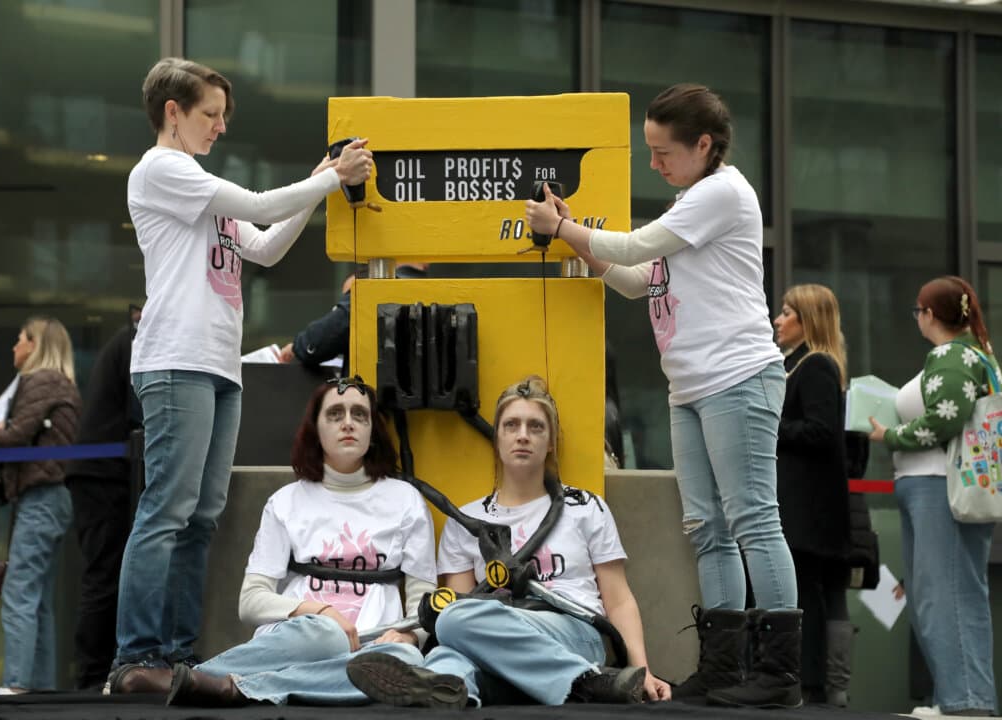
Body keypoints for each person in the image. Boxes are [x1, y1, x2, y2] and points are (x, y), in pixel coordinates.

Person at [526, 83, 800, 707]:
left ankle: (780, 674)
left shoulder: (720, 193)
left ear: (704, 145)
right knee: (709, 528)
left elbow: (633, 246)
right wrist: (573, 235)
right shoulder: (694, 201)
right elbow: (632, 279)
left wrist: (565, 226)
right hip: (692, 386)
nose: (655, 164)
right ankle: (727, 670)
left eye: (663, 151)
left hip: (738, 375)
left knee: (754, 519)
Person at [109, 56, 374, 690]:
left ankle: (173, 656)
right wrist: (331, 180)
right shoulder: (162, 170)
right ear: (172, 113)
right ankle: (134, 658)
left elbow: (264, 243)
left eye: (224, 116)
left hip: (218, 364)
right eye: (211, 115)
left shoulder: (196, 182)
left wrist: (316, 184)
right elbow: (259, 203)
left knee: (201, 515)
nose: (221, 127)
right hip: (176, 359)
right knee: (168, 510)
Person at [344, 375, 672, 708]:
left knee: (455, 621)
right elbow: (462, 602)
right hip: (494, 636)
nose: (523, 436)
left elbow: (618, 600)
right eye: (511, 425)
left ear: (551, 442)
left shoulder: (585, 507)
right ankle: (444, 692)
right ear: (497, 439)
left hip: (576, 630)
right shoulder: (466, 521)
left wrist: (640, 668)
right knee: (451, 638)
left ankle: (584, 679)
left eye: (536, 427)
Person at [150, 376, 436, 706]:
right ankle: (219, 677)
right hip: (303, 638)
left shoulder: (406, 500)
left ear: (373, 431)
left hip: (373, 643)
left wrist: (410, 636)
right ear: (316, 430)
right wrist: (319, 610)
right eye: (335, 414)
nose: (348, 423)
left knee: (409, 662)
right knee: (327, 636)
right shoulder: (286, 501)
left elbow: (423, 598)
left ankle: (231, 684)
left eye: (360, 414)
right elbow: (252, 601)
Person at [867, 276, 998, 717]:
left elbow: (944, 420)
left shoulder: (952, 357)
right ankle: (958, 697)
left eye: (917, 312)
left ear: (928, 314)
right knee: (938, 593)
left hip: (938, 484)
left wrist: (891, 435)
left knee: (945, 593)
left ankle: (965, 701)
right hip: (932, 485)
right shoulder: (966, 356)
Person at [0, 316, 82, 693]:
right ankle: (38, 689)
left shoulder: (40, 382)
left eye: (19, 339)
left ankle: (15, 685)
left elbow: (13, 436)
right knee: (38, 596)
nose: (14, 346)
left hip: (42, 495)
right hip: (55, 496)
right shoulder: (63, 384)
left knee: (19, 591)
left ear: (36, 345)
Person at [772, 284, 854, 706]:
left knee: (806, 593)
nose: (777, 319)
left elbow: (821, 432)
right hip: (800, 504)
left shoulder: (816, 365)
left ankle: (811, 685)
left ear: (808, 321)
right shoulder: (796, 364)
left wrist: (770, 428)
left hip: (808, 507)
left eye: (786, 312)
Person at [65, 308, 142, 690]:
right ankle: (92, 675)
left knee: (105, 575)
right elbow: (139, 409)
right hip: (102, 476)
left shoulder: (125, 341)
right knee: (105, 576)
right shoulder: (135, 341)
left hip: (100, 473)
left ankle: (96, 671)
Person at [278, 263, 429, 374]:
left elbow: (319, 340)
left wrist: (296, 347)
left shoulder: (372, 289)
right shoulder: (439, 293)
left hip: (373, 406)